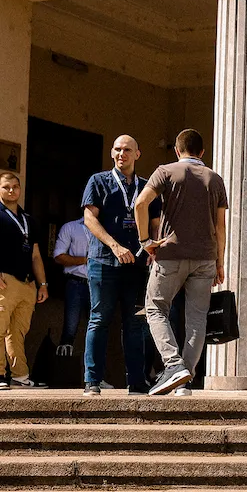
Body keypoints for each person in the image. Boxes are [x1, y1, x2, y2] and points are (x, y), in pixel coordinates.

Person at [134, 129, 228, 395]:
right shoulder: (215, 179)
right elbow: (220, 226)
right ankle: (184, 381)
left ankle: (173, 365)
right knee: (197, 319)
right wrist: (220, 262)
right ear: (202, 152)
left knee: (155, 308)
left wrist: (145, 241)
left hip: (171, 254)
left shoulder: (165, 171)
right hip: (206, 257)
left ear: (177, 150)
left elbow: (140, 203)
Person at [81, 135, 161, 395]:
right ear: (111, 153)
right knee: (99, 319)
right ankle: (92, 381)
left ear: (137, 154)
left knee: (135, 323)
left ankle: (136, 381)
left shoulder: (147, 186)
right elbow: (89, 219)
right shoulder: (98, 181)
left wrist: (154, 248)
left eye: (127, 150)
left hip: (137, 265)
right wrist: (114, 246)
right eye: (117, 149)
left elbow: (155, 224)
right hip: (103, 262)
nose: (121, 154)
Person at [0, 171, 49, 389]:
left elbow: (36, 255)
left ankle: (19, 376)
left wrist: (43, 284)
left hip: (27, 283)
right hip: (5, 280)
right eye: (6, 187)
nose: (11, 190)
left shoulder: (28, 219)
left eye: (15, 187)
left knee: (17, 331)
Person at [52, 215, 91, 355]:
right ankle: (63, 363)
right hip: (76, 282)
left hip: (101, 284)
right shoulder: (71, 227)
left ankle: (94, 366)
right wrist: (86, 260)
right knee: (70, 327)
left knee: (99, 328)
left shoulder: (108, 227)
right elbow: (58, 256)